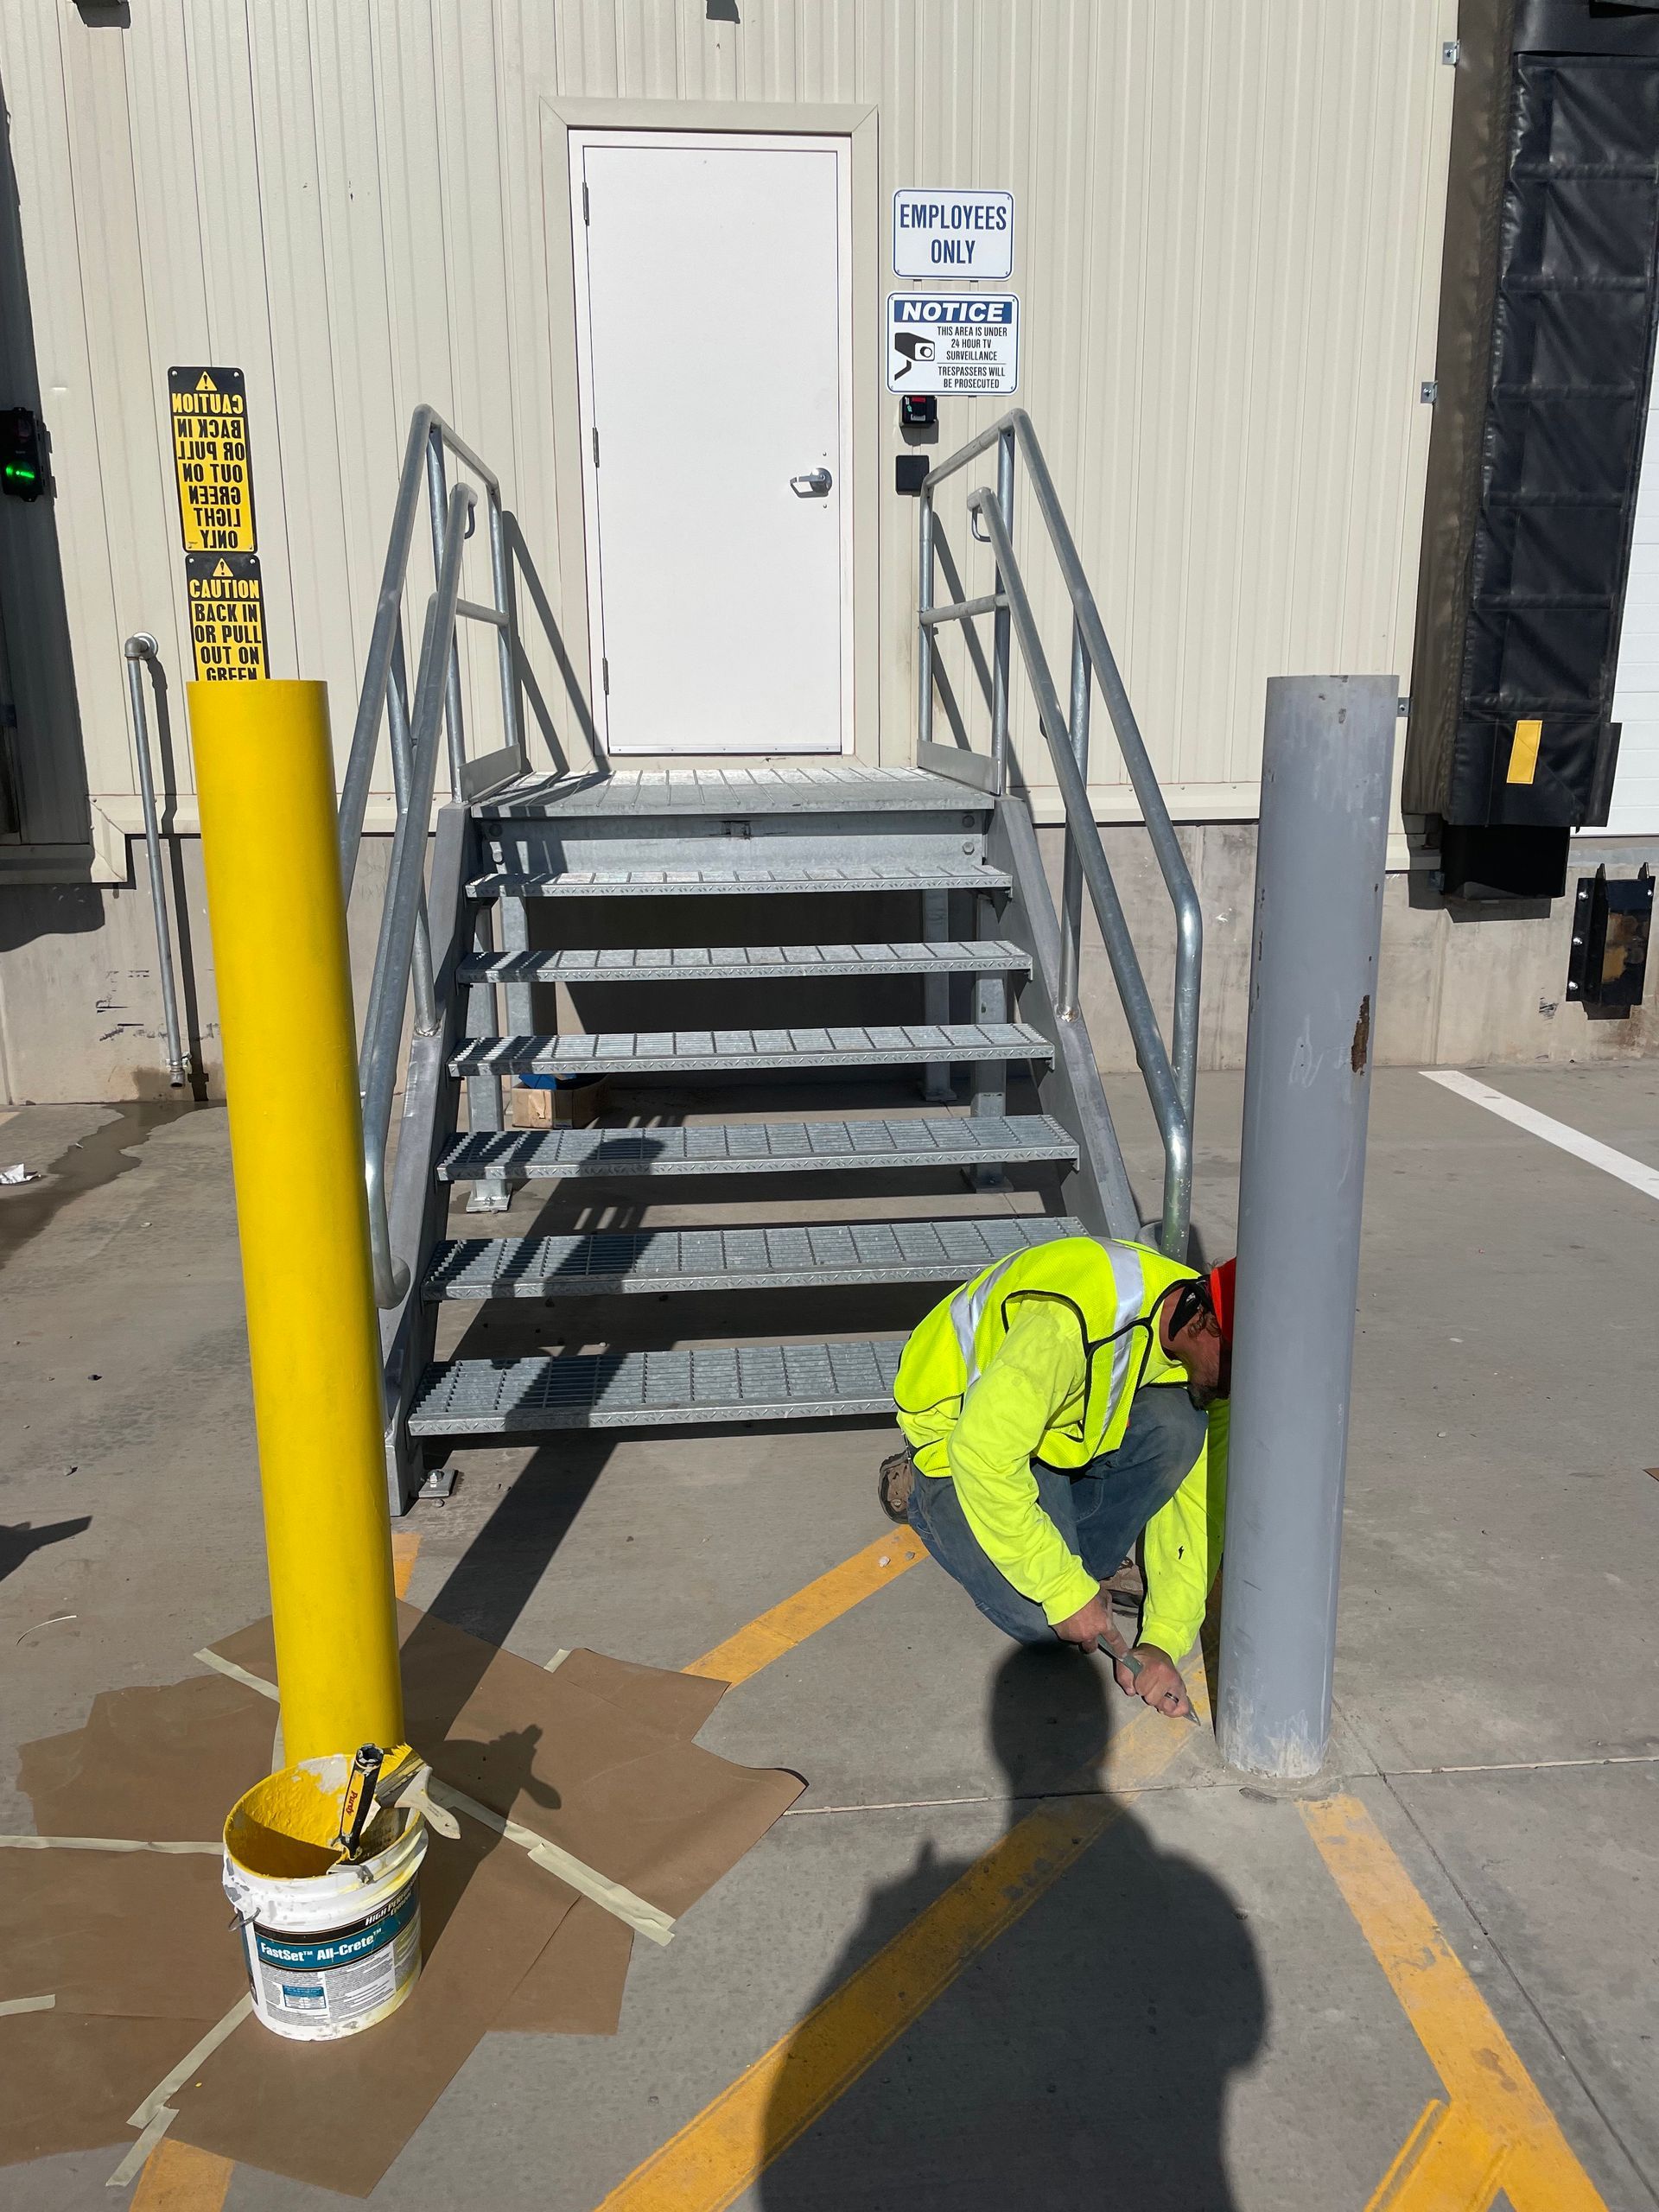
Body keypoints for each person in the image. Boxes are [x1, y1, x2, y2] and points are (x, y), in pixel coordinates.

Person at [880, 1235, 1234, 1721]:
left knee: (1179, 1428)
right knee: (1045, 1622)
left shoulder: (1208, 1353)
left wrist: (1161, 1642)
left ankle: (1071, 1562)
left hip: (1047, 1432)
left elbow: (1195, 1512)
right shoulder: (1067, 1323)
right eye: (1237, 1369)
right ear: (1207, 1323)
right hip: (958, 1435)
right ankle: (918, 1494)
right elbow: (983, 1455)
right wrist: (1065, 1592)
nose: (1237, 1386)